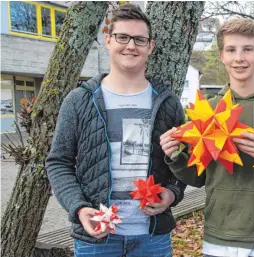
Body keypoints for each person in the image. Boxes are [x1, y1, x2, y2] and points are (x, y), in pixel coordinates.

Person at [45, 4, 186, 257]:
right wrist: (78, 208)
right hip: (96, 238)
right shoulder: (79, 100)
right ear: (108, 40)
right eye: (123, 37)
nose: (131, 46)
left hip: (152, 237)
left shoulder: (168, 103)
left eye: (139, 40)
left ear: (150, 47)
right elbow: (58, 163)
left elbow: (186, 161)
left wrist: (173, 194)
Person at [160, 18, 254, 257]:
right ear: (222, 56)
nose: (239, 58)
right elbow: (198, 178)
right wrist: (175, 155)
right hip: (218, 236)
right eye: (231, 50)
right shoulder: (207, 110)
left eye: (248, 49)